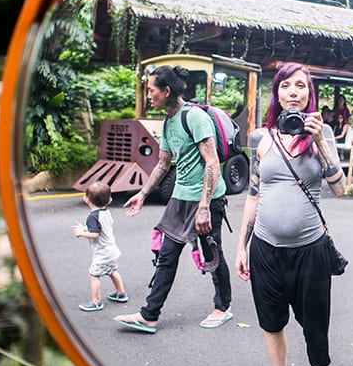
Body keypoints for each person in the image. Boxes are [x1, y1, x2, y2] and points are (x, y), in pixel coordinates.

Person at [235, 61, 346, 366]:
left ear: (309, 93)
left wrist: (318, 142)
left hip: (310, 249)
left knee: (315, 324)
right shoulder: (260, 137)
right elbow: (254, 192)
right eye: (285, 86)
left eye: (300, 85)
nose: (293, 92)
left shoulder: (322, 132)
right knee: (271, 323)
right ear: (277, 93)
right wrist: (240, 246)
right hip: (265, 248)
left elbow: (341, 188)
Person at [116, 65, 233, 333]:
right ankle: (150, 314)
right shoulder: (169, 123)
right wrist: (143, 194)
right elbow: (163, 163)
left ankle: (223, 306)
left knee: (211, 255)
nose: (149, 96)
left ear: (166, 91)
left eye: (151, 90)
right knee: (167, 256)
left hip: (206, 200)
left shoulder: (194, 118)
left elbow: (212, 163)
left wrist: (204, 207)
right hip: (180, 200)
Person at [71, 181, 127, 312]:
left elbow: (95, 234)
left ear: (86, 199)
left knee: (93, 275)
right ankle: (121, 293)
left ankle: (96, 302)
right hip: (111, 250)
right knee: (112, 271)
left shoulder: (92, 217)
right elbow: (101, 229)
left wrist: (81, 233)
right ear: (109, 201)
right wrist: (84, 228)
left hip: (102, 253)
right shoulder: (105, 212)